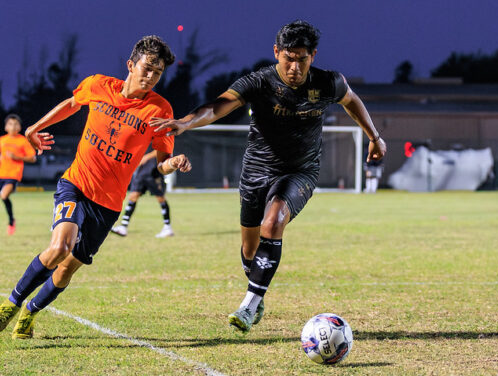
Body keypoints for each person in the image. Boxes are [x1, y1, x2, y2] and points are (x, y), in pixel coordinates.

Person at [151, 20, 386, 333]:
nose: (294, 66)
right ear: (276, 52)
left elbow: (351, 101)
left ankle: (248, 305)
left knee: (273, 223)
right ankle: (257, 291)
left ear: (312, 56)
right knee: (250, 250)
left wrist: (374, 136)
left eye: (301, 59)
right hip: (256, 171)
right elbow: (219, 106)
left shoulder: (329, 82)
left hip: (300, 171)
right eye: (288, 58)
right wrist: (186, 122)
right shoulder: (259, 82)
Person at [0, 35, 191, 339]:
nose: (151, 76)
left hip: (108, 204)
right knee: (59, 247)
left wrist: (171, 164)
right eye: (147, 68)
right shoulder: (98, 85)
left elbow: (161, 162)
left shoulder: (160, 110)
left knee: (68, 267)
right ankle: (12, 302)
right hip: (76, 183)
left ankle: (31, 312)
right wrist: (34, 128)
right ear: (131, 65)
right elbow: (71, 104)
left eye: (158, 72)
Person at [0, 114, 36, 239]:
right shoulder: (2, 140)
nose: (13, 126)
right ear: (5, 127)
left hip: (13, 174)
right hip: (0, 173)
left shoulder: (23, 140)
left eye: (15, 124)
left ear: (19, 127)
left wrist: (17, 157)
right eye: (10, 124)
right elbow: (2, 156)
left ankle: (11, 221)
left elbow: (33, 158)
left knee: (4, 195)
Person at [110, 149, 174, 238]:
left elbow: (161, 149)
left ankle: (167, 227)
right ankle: (123, 227)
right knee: (133, 196)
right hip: (142, 172)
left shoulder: (160, 136)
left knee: (161, 199)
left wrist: (145, 157)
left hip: (154, 172)